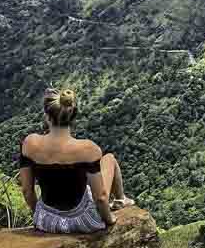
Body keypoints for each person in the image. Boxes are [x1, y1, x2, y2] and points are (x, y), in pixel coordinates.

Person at [19, 88, 134, 233]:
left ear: (47, 117)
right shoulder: (88, 149)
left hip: (47, 221)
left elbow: (27, 191)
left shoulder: (29, 143)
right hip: (83, 221)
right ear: (73, 117)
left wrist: (42, 216)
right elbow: (101, 198)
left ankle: (120, 199)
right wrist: (109, 219)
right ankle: (120, 199)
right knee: (109, 159)